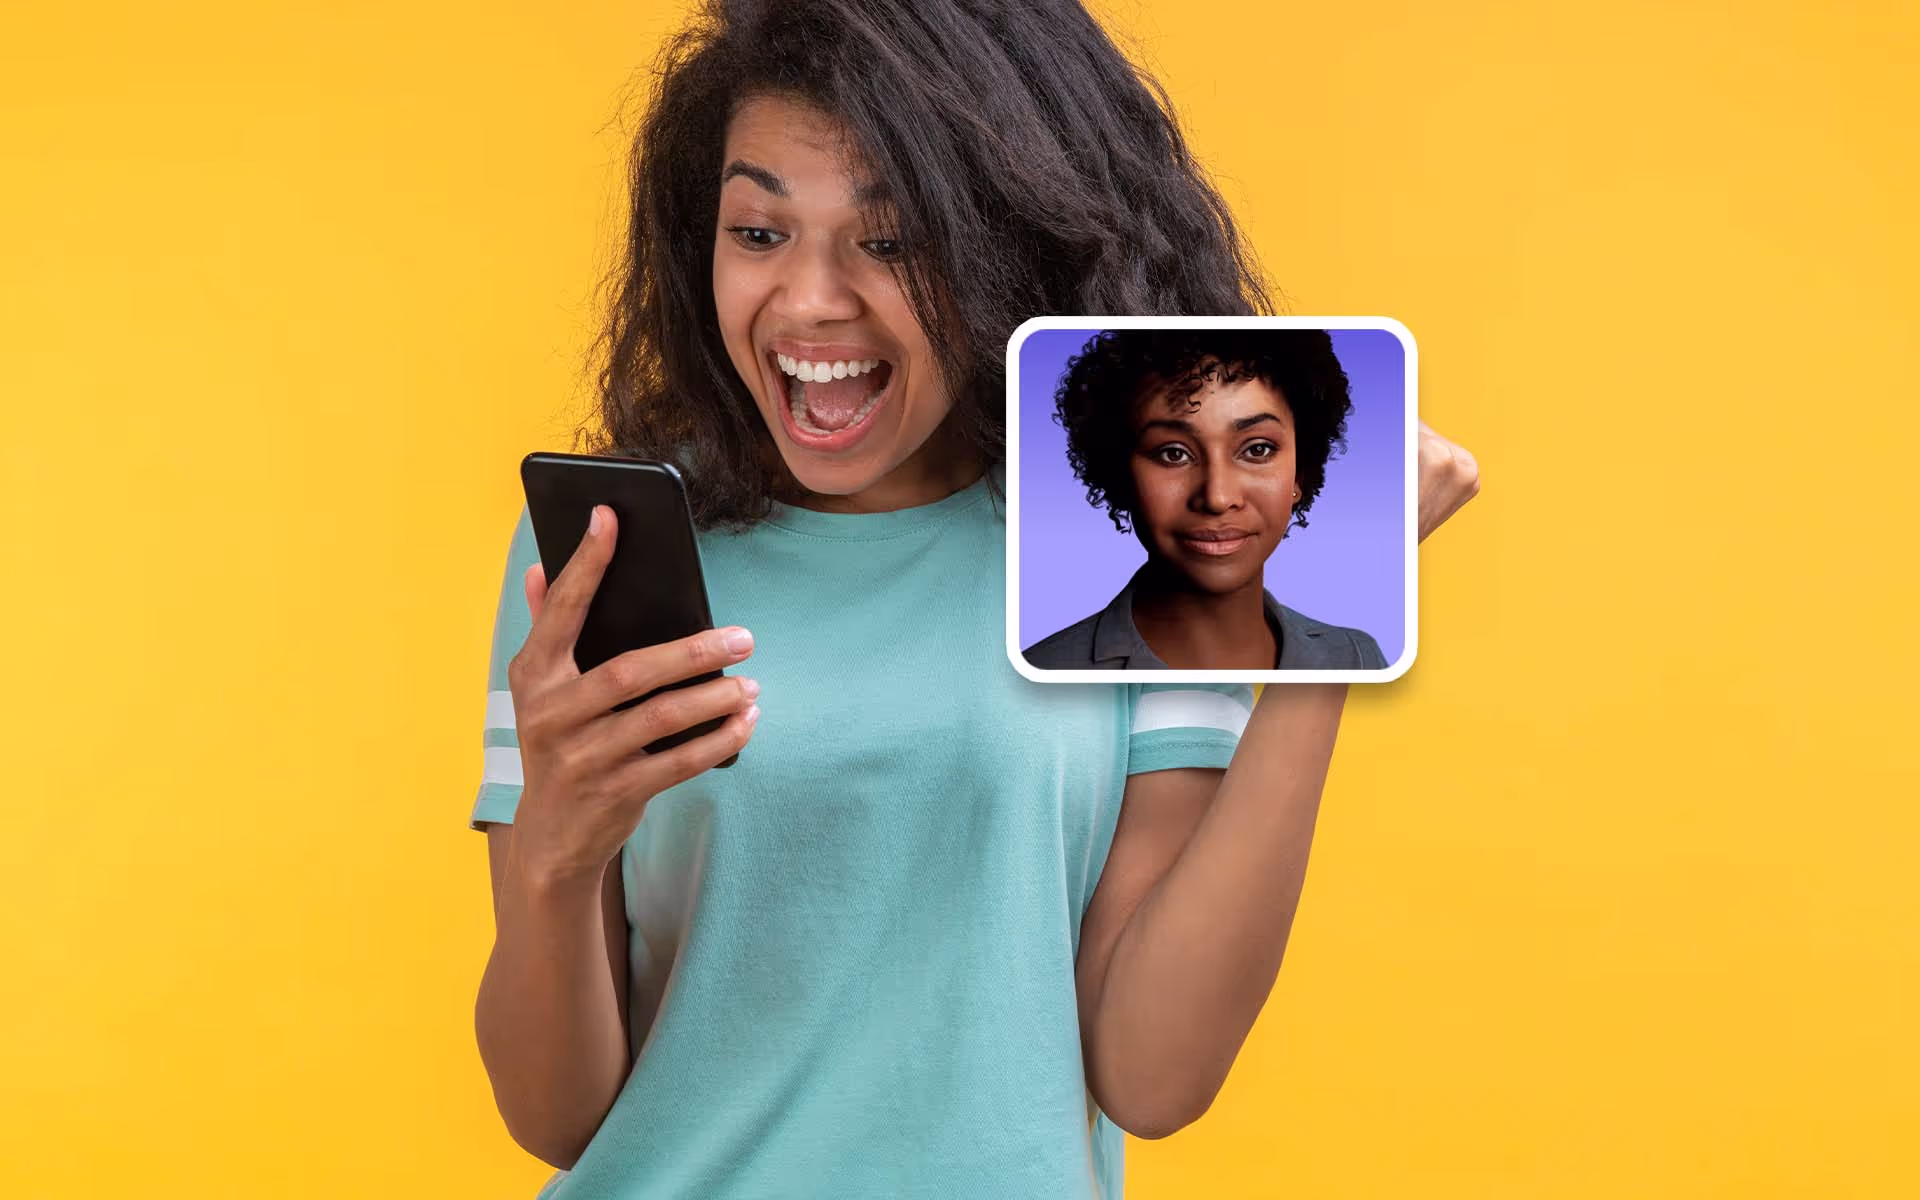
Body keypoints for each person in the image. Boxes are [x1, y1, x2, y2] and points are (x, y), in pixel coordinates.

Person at [469, 2, 1481, 1197]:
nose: (807, 304)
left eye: (891, 243)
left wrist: (1327, 630)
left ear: (1014, 246)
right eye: (758, 229)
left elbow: (1154, 1076)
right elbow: (556, 1119)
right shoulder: (609, 552)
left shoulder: (1124, 550)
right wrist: (554, 857)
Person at [1023, 329, 1390, 671]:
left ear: (1299, 475)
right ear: (1120, 475)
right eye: (1173, 454)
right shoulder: (1044, 670)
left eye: (1257, 449)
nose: (1217, 497)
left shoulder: (1355, 657)